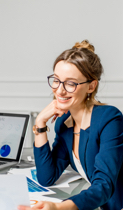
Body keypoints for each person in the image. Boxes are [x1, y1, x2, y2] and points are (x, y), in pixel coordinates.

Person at [18, 40, 123, 210]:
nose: (60, 90)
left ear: (91, 86)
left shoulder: (109, 119)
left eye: (70, 83)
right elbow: (47, 177)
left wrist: (59, 208)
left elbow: (104, 185)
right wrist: (40, 124)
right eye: (57, 80)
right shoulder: (64, 124)